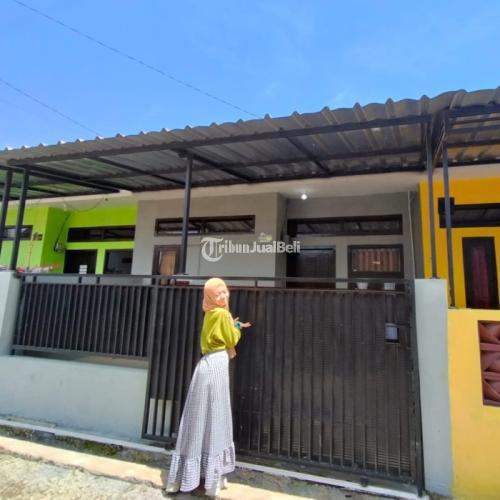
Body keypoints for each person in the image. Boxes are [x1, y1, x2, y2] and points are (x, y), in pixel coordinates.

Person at [165, 277, 251, 497]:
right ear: (210, 296)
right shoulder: (222, 314)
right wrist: (237, 327)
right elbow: (231, 339)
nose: (223, 296)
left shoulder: (210, 313)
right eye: (218, 293)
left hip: (205, 364)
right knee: (217, 417)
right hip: (217, 364)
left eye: (224, 291)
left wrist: (232, 324)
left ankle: (182, 476)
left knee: (197, 418)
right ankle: (213, 481)